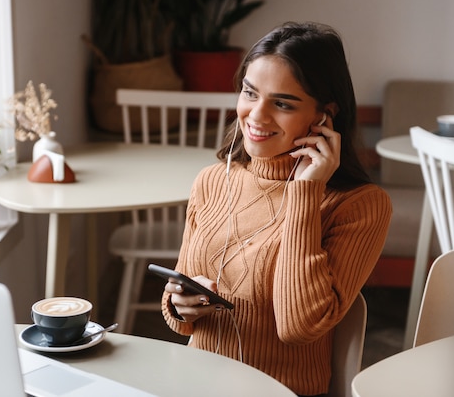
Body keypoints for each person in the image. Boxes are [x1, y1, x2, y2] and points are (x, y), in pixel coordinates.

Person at [161, 21, 392, 397]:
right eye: (250, 93)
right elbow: (179, 313)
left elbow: (298, 327)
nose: (256, 116)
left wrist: (306, 192)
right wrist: (181, 304)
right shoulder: (212, 181)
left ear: (323, 116)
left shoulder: (360, 206)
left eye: (282, 103)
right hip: (195, 383)